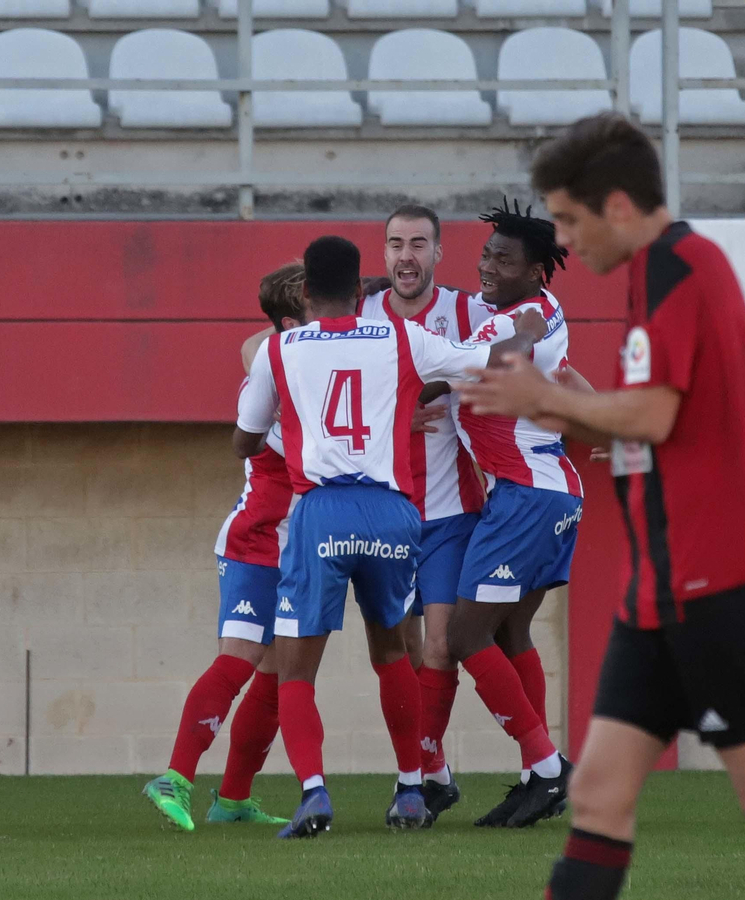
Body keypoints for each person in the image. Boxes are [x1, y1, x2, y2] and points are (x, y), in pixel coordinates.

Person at [457, 113, 745, 900]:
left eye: (570, 221)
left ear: (615, 207)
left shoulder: (684, 265)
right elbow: (648, 414)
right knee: (599, 794)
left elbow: (655, 415)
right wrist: (563, 406)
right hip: (661, 589)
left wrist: (547, 395)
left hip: (716, 581)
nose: (565, 243)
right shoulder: (656, 274)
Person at [234, 236, 547, 839]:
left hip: (320, 510)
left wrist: (277, 432)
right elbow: (490, 362)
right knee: (393, 654)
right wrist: (531, 326)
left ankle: (313, 793)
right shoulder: (402, 338)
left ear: (303, 293)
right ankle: (410, 785)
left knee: (296, 670)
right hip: (392, 513)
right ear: (361, 291)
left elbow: (245, 438)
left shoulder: (281, 350)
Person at [142, 263, 310, 831]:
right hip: (258, 539)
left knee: (280, 671)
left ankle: (233, 799)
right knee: (239, 661)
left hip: (294, 545)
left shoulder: (284, 356)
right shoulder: (288, 381)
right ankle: (175, 777)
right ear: (293, 323)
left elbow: (252, 341)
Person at [443, 199, 587, 829]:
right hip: (537, 492)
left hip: (527, 497)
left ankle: (549, 767)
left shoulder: (530, 317)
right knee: (508, 634)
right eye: (486, 253)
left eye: (504, 258)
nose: (489, 266)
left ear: (535, 272)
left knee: (464, 636)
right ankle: (538, 775)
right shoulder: (516, 313)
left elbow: (502, 357)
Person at [359, 204, 494, 818]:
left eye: (418, 244)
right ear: (382, 255)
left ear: (439, 253)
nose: (406, 256)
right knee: (402, 652)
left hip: (450, 512)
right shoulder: (358, 315)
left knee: (440, 647)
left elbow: (532, 354)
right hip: (384, 512)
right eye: (395, 244)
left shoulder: (467, 313)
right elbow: (262, 348)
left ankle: (411, 784)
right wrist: (392, 413)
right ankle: (433, 772)